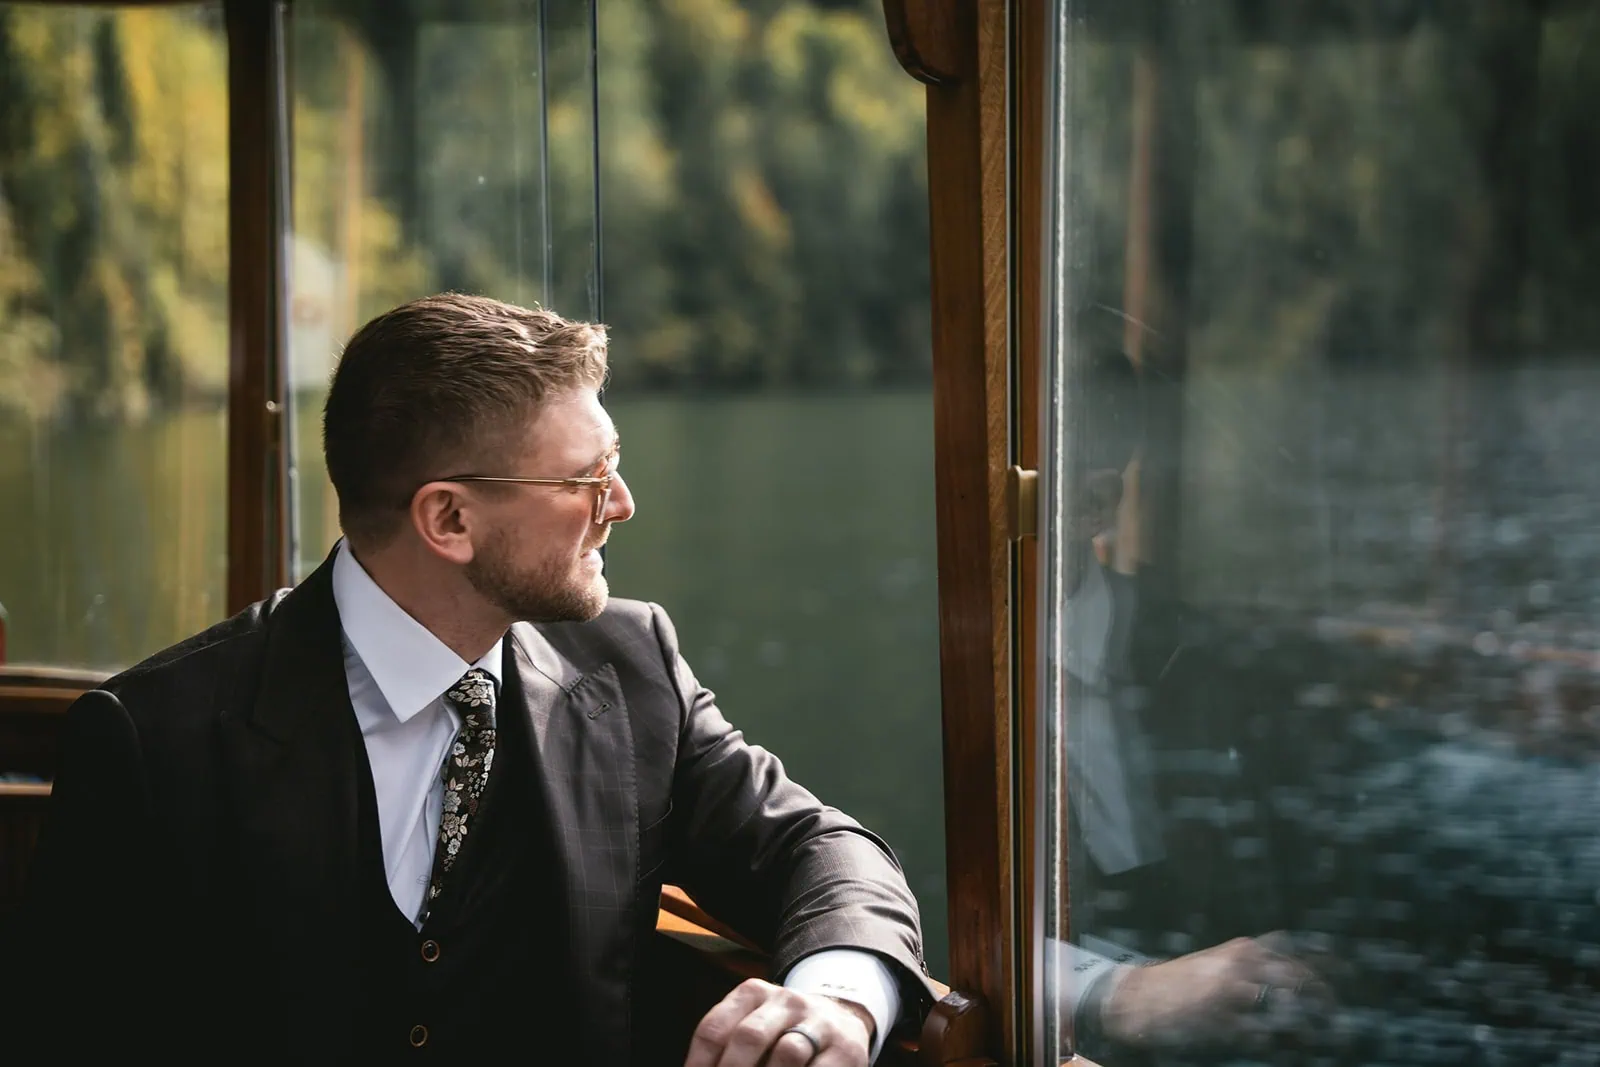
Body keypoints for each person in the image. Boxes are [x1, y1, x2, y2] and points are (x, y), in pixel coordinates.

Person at [14, 294, 933, 1064]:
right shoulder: (151, 739)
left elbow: (822, 850)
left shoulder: (631, 668)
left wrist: (839, 998)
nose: (621, 504)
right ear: (448, 518)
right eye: (590, 476)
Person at [1051, 315, 1330, 1062]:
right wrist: (1116, 993)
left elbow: (1304, 870)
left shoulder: (1209, 656)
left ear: (1093, 508)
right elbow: (914, 919)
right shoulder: (936, 674)